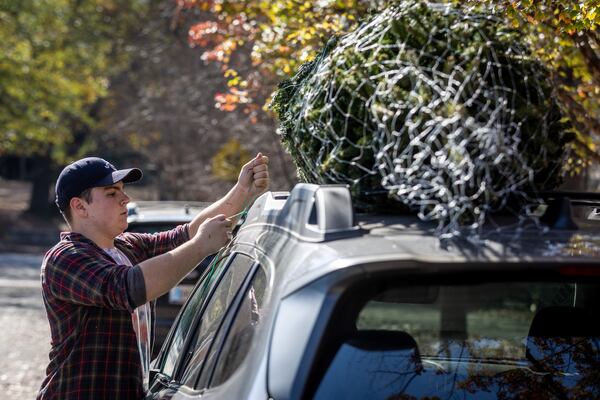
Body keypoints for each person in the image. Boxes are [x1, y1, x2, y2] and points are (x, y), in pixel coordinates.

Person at [37, 154, 269, 399]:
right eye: (111, 193)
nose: (125, 198)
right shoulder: (65, 258)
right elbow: (128, 288)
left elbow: (187, 234)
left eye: (122, 190)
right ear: (80, 206)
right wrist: (201, 246)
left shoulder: (128, 246)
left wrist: (242, 190)